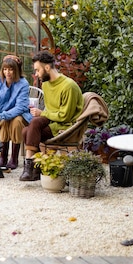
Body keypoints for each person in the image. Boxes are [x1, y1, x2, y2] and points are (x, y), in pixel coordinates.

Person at [19, 50, 84, 181]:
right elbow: (49, 109)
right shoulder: (46, 84)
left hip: (66, 126)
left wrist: (42, 113)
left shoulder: (68, 86)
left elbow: (65, 116)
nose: (36, 75)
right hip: (52, 121)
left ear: (47, 67)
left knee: (30, 128)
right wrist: (42, 114)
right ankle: (34, 168)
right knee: (29, 128)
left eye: (38, 70)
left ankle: (30, 166)